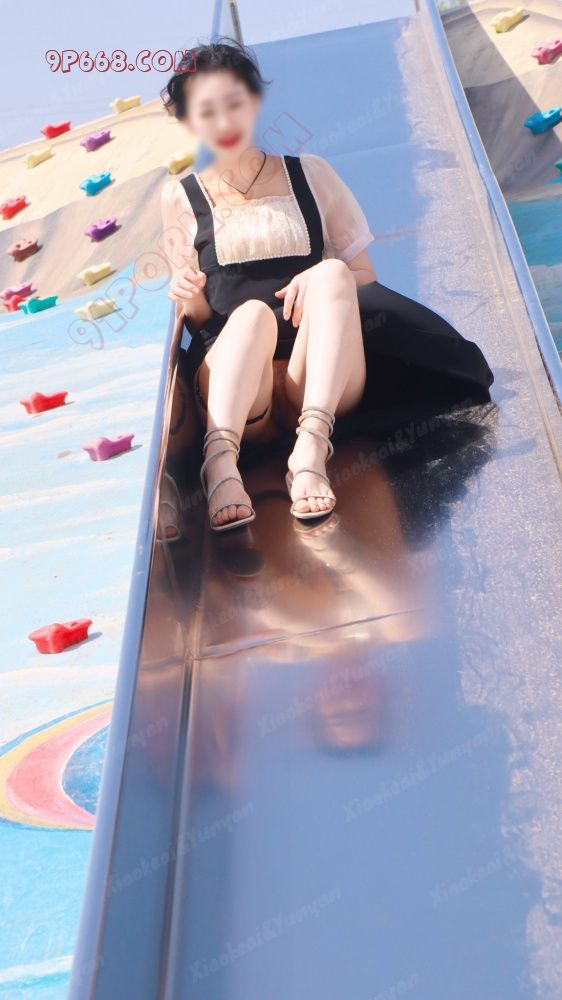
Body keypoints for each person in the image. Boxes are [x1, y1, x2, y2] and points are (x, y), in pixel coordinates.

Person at [160, 41, 493, 531]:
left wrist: (318, 273)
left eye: (234, 103)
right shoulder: (181, 197)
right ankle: (220, 464)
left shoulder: (310, 174)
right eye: (207, 111)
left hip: (316, 379)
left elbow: (364, 277)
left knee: (335, 272)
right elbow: (200, 321)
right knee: (250, 314)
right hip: (241, 389)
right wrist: (188, 293)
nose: (224, 121)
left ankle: (311, 453)